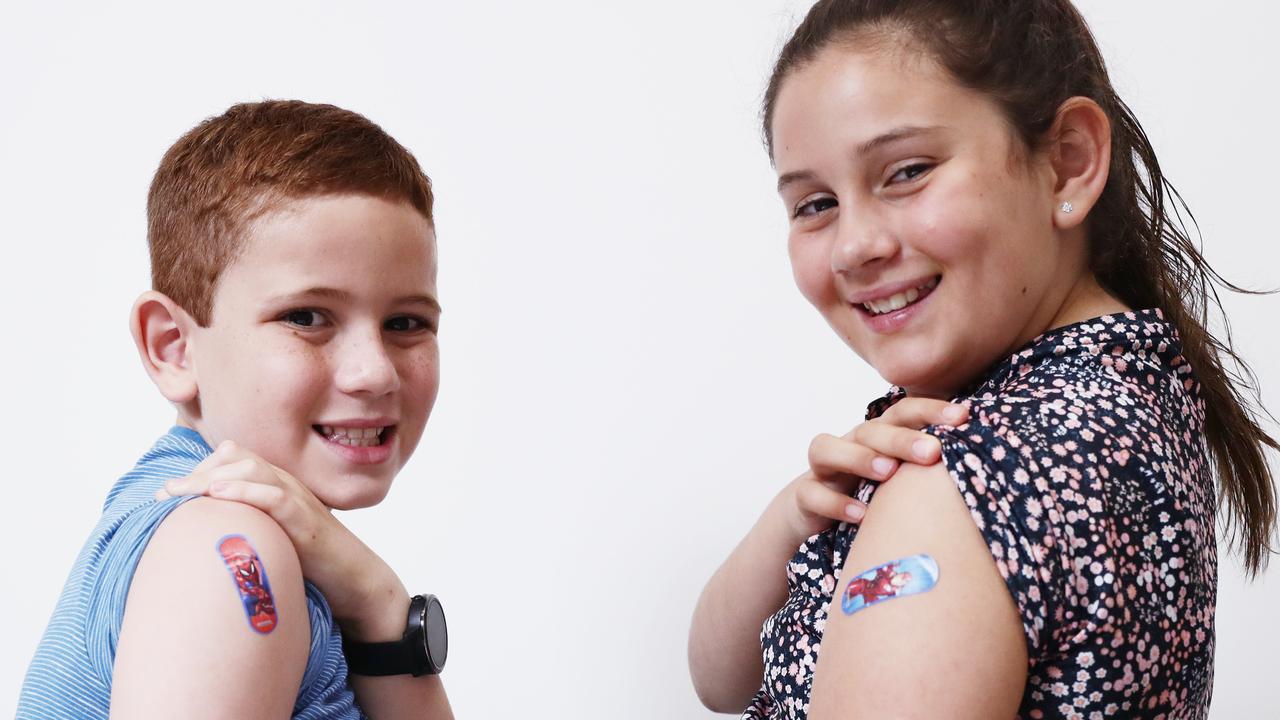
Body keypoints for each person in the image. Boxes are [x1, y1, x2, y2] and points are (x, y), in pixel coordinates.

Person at [688, 1, 1277, 718]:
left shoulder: (957, 480)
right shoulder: (1133, 387)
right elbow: (718, 681)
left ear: (1068, 163)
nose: (853, 246)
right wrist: (791, 520)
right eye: (814, 205)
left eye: (905, 171)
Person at [17, 100, 454, 719]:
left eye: (406, 323)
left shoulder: (268, 546)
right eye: (305, 317)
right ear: (173, 346)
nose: (375, 371)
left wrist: (378, 602)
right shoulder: (228, 548)